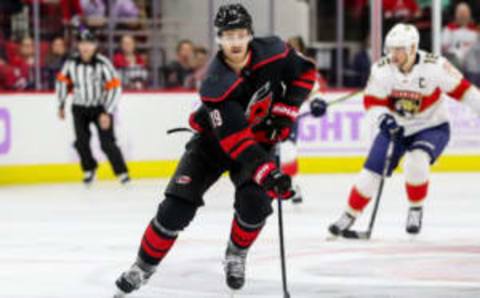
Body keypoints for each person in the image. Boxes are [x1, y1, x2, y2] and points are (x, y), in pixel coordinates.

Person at [114, 3, 316, 296]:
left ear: (249, 35)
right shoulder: (215, 83)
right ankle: (143, 266)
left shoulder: (275, 51)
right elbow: (238, 144)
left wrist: (284, 114)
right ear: (219, 39)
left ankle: (236, 253)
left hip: (259, 140)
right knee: (175, 209)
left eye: (240, 34)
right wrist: (269, 174)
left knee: (256, 204)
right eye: (228, 36)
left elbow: (305, 74)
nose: (235, 42)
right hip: (214, 143)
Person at [327, 23, 480, 237]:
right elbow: (372, 102)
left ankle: (415, 208)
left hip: (431, 126)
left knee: (417, 162)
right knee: (369, 174)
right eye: (391, 48)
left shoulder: (435, 66)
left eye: (399, 49)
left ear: (413, 48)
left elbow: (466, 92)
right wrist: (384, 120)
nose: (394, 54)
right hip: (395, 128)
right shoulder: (381, 69)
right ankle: (349, 215)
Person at [55, 29, 130, 185]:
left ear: (95, 45)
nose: (85, 47)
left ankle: (122, 172)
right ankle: (89, 169)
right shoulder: (71, 63)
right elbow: (62, 82)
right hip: (79, 107)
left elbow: (115, 87)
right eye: (82, 43)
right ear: (78, 45)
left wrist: (106, 111)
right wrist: (61, 104)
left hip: (100, 108)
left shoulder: (103, 63)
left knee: (107, 142)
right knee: (81, 141)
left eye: (89, 43)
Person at [442, 2, 478, 68]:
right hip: (455, 61)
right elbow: (444, 47)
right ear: (456, 14)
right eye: (460, 13)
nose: (463, 15)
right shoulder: (449, 29)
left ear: (469, 14)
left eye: (465, 13)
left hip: (474, 62)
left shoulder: (476, 30)